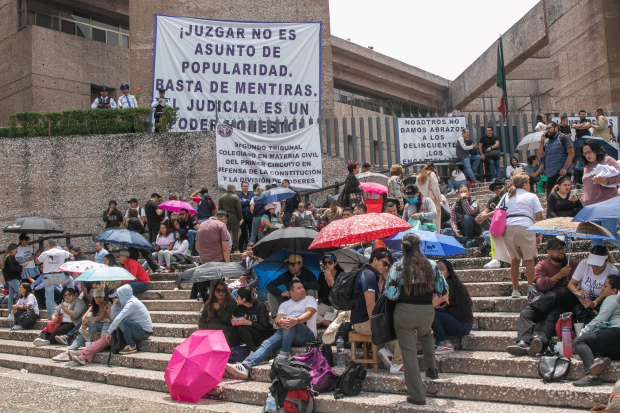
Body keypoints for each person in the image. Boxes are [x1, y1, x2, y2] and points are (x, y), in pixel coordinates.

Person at [384, 234, 440, 404]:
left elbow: (391, 295)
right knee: (426, 334)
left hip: (405, 313)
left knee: (409, 354)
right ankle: (432, 368)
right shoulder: (431, 265)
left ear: (403, 247)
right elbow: (442, 288)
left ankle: (417, 396)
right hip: (427, 311)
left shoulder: (398, 266)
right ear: (420, 246)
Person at [225, 280, 317, 380]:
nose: (303, 290)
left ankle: (284, 354)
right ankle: (245, 365)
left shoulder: (309, 299)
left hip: (306, 335)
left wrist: (296, 320)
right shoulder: (284, 304)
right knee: (266, 343)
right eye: (299, 288)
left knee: (289, 321)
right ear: (291, 292)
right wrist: (280, 321)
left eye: (303, 287)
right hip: (288, 333)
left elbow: (309, 313)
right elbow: (277, 319)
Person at [506, 238, 580, 356]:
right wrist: (560, 274)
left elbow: (587, 269)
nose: (561, 251)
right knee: (526, 314)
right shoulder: (542, 265)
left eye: (562, 248)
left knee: (553, 316)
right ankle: (523, 342)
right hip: (543, 301)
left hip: (560, 304)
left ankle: (540, 341)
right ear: (548, 252)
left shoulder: (572, 264)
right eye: (557, 249)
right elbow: (542, 284)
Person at [69, 284, 153, 363]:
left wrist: (109, 331)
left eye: (118, 296)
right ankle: (84, 354)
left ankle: (131, 345)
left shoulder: (131, 304)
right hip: (132, 329)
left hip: (144, 332)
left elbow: (118, 319)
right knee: (105, 339)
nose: (117, 298)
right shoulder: (127, 303)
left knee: (119, 325)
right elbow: (114, 317)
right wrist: (114, 305)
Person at [349, 249, 402, 373]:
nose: (386, 267)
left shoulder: (369, 274)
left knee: (396, 334)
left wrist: (385, 279)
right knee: (402, 330)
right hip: (364, 323)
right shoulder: (369, 275)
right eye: (385, 264)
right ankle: (397, 363)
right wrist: (378, 327)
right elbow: (370, 305)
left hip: (362, 320)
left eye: (389, 266)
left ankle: (386, 352)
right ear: (374, 260)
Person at [499, 174, 544, 298]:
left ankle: (515, 290)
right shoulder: (531, 196)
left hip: (508, 229)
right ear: (525, 184)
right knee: (529, 259)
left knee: (514, 260)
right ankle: (531, 290)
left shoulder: (506, 196)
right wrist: (540, 235)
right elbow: (539, 217)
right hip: (525, 226)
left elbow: (498, 212)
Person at [572, 275, 620, 387]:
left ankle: (592, 376)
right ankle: (598, 359)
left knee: (580, 342)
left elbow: (600, 319)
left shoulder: (612, 298)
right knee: (594, 346)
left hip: (617, 332)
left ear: (614, 291)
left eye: (605, 286)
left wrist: (582, 333)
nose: (602, 288)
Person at [52, 288, 112, 361]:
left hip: (104, 326)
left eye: (100, 297)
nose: (98, 299)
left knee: (90, 323)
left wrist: (87, 320)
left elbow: (100, 317)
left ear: (103, 297)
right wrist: (84, 322)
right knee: (81, 336)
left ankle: (91, 343)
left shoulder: (107, 305)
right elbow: (84, 317)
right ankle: (67, 352)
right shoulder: (93, 306)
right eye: (96, 297)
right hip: (94, 326)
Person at [580, 139, 620, 249]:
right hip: (591, 207)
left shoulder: (607, 160)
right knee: (595, 238)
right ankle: (598, 264)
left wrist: (605, 181)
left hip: (607, 203)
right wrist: (583, 199)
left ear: (595, 150)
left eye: (589, 152)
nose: (587, 155)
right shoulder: (586, 167)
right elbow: (588, 187)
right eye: (584, 153)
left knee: (610, 234)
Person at [432, 259, 473, 355]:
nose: (438, 271)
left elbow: (432, 304)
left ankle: (445, 344)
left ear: (449, 272)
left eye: (441, 269)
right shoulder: (439, 285)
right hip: (456, 322)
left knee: (429, 312)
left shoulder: (448, 285)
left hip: (462, 326)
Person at [568, 246, 619, 323]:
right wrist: (578, 293)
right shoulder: (584, 264)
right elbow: (571, 283)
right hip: (584, 299)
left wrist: (594, 303)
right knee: (564, 293)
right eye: (592, 264)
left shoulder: (612, 271)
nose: (594, 267)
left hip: (602, 301)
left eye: (598, 265)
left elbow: (609, 292)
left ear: (606, 260)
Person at [266, 253, 320, 319]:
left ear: (300, 264)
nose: (290, 267)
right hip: (289, 299)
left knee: (311, 291)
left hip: (303, 300)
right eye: (288, 264)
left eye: (293, 264)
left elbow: (317, 285)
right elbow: (269, 286)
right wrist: (282, 293)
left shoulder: (307, 273)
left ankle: (308, 315)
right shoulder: (286, 275)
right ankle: (276, 318)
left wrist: (301, 283)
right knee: (271, 293)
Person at [194, 211, 231, 300]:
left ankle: (207, 306)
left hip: (204, 262)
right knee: (216, 289)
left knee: (206, 289)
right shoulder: (221, 225)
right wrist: (228, 267)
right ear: (223, 218)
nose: (225, 223)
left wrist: (206, 254)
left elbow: (196, 247)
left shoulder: (201, 225)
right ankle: (214, 308)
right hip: (217, 261)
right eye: (226, 221)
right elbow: (225, 248)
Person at [35, 240, 74, 316]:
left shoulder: (45, 253)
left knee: (49, 296)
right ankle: (72, 295)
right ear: (56, 246)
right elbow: (70, 255)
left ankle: (50, 316)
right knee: (70, 280)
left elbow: (37, 262)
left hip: (47, 276)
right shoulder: (61, 252)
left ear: (48, 246)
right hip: (59, 275)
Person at [537, 121, 575, 197]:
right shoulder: (548, 142)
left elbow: (571, 154)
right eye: (546, 129)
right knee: (550, 198)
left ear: (556, 128)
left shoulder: (563, 137)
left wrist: (564, 169)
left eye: (549, 128)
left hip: (562, 173)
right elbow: (540, 154)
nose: (547, 130)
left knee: (562, 197)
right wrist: (541, 141)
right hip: (550, 174)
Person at [197, 280, 239, 347]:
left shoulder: (232, 302)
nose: (221, 293)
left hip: (226, 333)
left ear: (226, 291)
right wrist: (204, 333)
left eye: (223, 290)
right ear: (214, 291)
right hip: (211, 332)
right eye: (218, 290)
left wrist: (220, 309)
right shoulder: (209, 303)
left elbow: (232, 320)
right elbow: (202, 320)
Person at [474, 179, 506, 264]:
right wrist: (481, 216)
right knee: (482, 218)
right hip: (496, 226)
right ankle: (490, 242)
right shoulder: (493, 199)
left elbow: (502, 212)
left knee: (486, 234)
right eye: (496, 188)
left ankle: (484, 246)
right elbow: (485, 211)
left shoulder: (507, 198)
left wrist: (487, 215)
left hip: (505, 225)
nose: (498, 190)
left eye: (500, 187)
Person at [232, 286, 273, 351]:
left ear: (244, 299)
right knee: (235, 329)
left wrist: (249, 323)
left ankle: (252, 351)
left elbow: (264, 327)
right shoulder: (240, 308)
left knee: (241, 328)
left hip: (263, 334)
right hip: (248, 335)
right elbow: (236, 320)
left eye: (238, 296)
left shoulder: (260, 307)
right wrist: (233, 321)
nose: (236, 298)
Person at [317, 253, 343, 327]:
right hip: (326, 303)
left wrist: (330, 278)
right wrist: (319, 301)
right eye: (325, 262)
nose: (327, 265)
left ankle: (333, 323)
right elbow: (320, 292)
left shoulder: (341, 275)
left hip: (337, 303)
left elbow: (337, 292)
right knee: (312, 313)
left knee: (341, 314)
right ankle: (330, 324)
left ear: (335, 264)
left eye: (330, 262)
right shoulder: (321, 275)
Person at [2, 245, 26, 321]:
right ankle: (19, 310)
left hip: (10, 279)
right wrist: (21, 266)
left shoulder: (7, 258)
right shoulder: (10, 258)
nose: (17, 252)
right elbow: (12, 268)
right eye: (16, 250)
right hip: (13, 279)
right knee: (22, 293)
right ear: (12, 250)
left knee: (11, 296)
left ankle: (10, 312)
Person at [416, 163, 442, 231]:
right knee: (434, 220)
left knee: (424, 221)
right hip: (432, 200)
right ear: (433, 168)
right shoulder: (432, 174)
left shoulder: (419, 176)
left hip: (422, 201)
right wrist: (440, 199)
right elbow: (436, 189)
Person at [219, 184, 243, 253]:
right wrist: (240, 218)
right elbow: (239, 208)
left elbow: (220, 209)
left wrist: (221, 218)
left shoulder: (222, 197)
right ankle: (235, 249)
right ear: (233, 189)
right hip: (234, 217)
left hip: (224, 217)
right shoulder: (235, 197)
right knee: (235, 233)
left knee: (225, 233)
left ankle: (225, 248)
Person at [572, 110, 592, 186]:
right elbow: (574, 126)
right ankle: (577, 182)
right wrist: (582, 126)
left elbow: (588, 126)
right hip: (579, 141)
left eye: (584, 114)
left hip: (587, 141)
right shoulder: (576, 121)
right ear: (579, 115)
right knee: (580, 158)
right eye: (581, 114)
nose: (583, 115)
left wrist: (579, 126)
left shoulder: (587, 120)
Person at [237, 182, 254, 251]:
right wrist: (249, 202)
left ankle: (253, 248)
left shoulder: (252, 194)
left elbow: (253, 202)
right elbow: (240, 203)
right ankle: (241, 249)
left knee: (252, 232)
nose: (245, 187)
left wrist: (246, 200)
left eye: (246, 186)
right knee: (242, 233)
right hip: (243, 215)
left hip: (250, 215)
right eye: (244, 186)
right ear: (241, 187)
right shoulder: (238, 195)